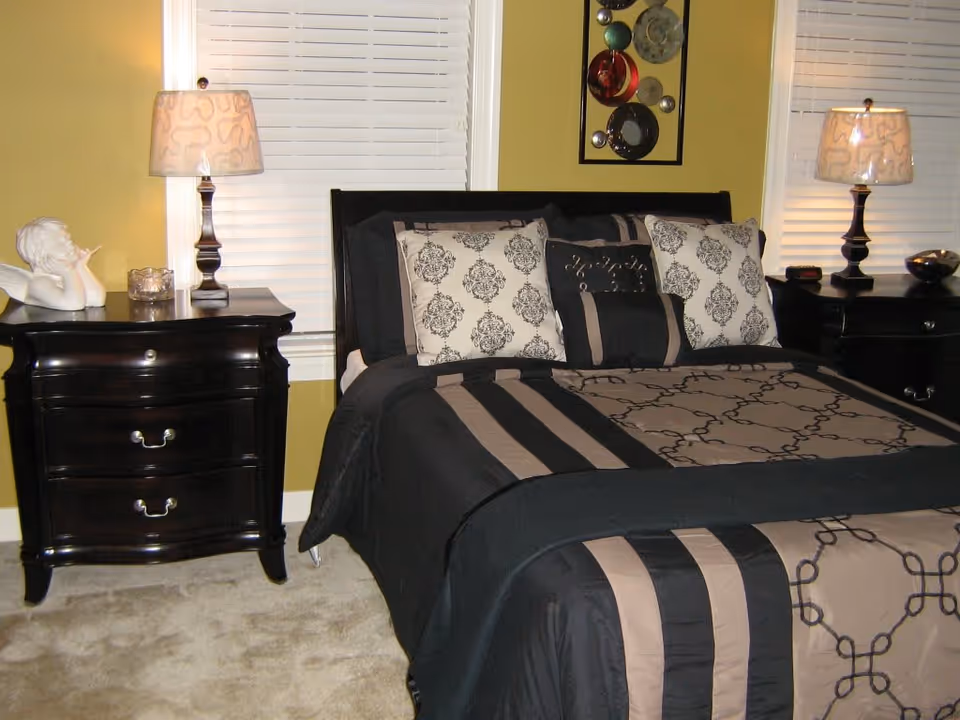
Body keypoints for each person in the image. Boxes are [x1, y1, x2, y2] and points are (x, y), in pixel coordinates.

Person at [0, 217, 105, 311]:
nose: (69, 244)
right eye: (60, 243)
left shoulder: (63, 277)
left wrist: (81, 267)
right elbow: (73, 305)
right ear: (39, 253)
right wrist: (68, 272)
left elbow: (97, 299)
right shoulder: (39, 284)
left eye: (68, 239)